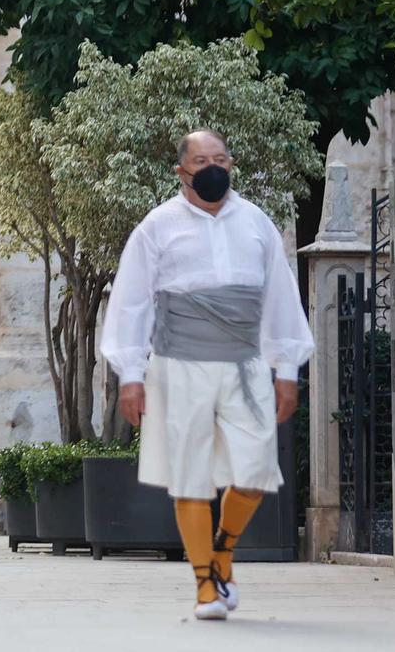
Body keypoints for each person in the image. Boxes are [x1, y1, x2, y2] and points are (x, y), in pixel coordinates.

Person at [100, 130, 312, 622]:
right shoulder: (157, 226)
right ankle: (204, 586)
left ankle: (222, 552)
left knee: (256, 468)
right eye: (200, 159)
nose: (212, 166)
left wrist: (288, 369)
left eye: (219, 158)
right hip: (179, 366)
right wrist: (130, 374)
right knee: (190, 475)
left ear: (231, 164)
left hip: (245, 364)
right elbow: (131, 302)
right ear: (182, 171)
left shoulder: (256, 222)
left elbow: (280, 298)